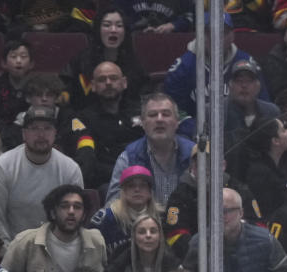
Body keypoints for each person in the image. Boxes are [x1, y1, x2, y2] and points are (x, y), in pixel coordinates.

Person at [184, 188, 287, 272]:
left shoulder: (265, 240)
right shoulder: (198, 243)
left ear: (241, 212)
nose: (221, 216)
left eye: (226, 211)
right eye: (215, 211)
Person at [1, 184, 106, 272]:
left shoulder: (97, 242)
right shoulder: (26, 242)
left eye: (77, 207)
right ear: (53, 212)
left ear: (84, 214)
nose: (71, 211)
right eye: (64, 206)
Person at [0, 105, 84, 240]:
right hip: (12, 250)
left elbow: (74, 220)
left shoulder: (70, 169)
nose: (41, 134)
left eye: (47, 128)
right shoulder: (2, 167)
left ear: (55, 133)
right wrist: (10, 254)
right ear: (24, 134)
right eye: (34, 128)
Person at [106, 93, 193, 207]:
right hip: (141, 223)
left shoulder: (194, 155)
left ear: (177, 122)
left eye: (166, 114)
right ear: (142, 122)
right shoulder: (128, 159)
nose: (159, 119)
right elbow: (112, 208)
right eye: (152, 115)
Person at [62, 7, 147, 111]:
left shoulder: (134, 62)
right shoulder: (81, 61)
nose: (113, 30)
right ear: (98, 29)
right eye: (107, 25)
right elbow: (70, 91)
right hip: (88, 118)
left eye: (119, 26)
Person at [77, 61, 143, 190]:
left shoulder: (144, 111)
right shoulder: (84, 119)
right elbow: (89, 159)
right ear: (93, 86)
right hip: (109, 182)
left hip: (145, 176)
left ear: (124, 83)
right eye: (102, 79)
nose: (108, 83)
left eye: (113, 78)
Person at [88, 165, 162, 259]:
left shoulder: (161, 217)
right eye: (131, 186)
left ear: (149, 192)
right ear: (123, 191)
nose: (137, 189)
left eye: (143, 185)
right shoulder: (105, 218)